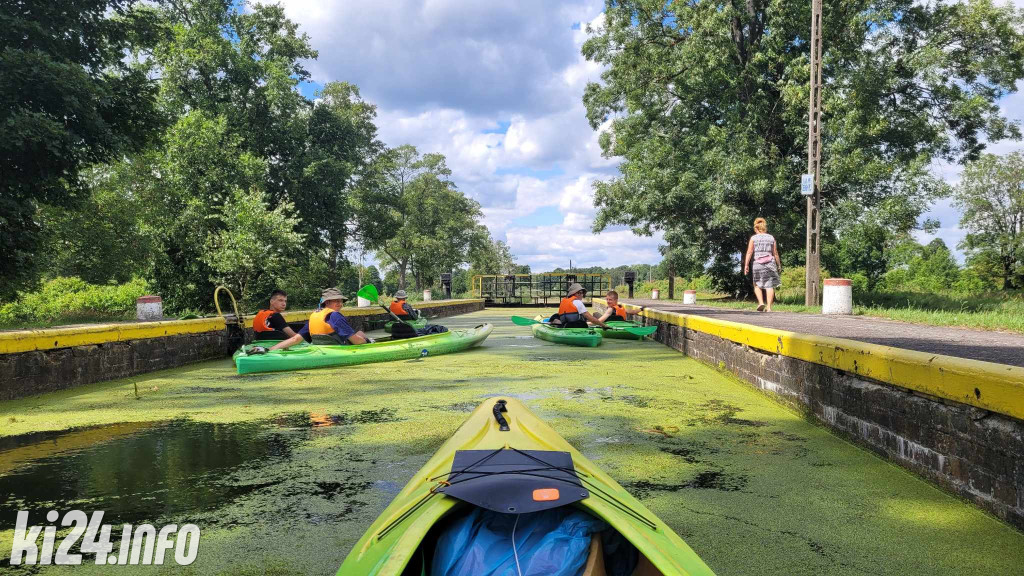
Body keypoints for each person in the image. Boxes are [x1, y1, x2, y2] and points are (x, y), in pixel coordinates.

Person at [269, 288, 372, 351]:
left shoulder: (314, 316)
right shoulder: (335, 315)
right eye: (336, 301)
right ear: (327, 302)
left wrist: (270, 349)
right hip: (340, 349)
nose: (340, 304)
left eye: (341, 301)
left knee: (359, 333)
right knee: (361, 334)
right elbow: (357, 342)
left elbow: (295, 339)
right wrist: (369, 342)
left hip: (322, 349)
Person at [743, 217, 782, 312]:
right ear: (764, 228)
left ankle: (760, 302)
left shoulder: (753, 238)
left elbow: (749, 252)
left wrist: (746, 265)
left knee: (756, 284)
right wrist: (779, 264)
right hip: (770, 263)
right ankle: (769, 307)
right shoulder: (771, 237)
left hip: (758, 263)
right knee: (770, 285)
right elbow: (775, 252)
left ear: (756, 229)